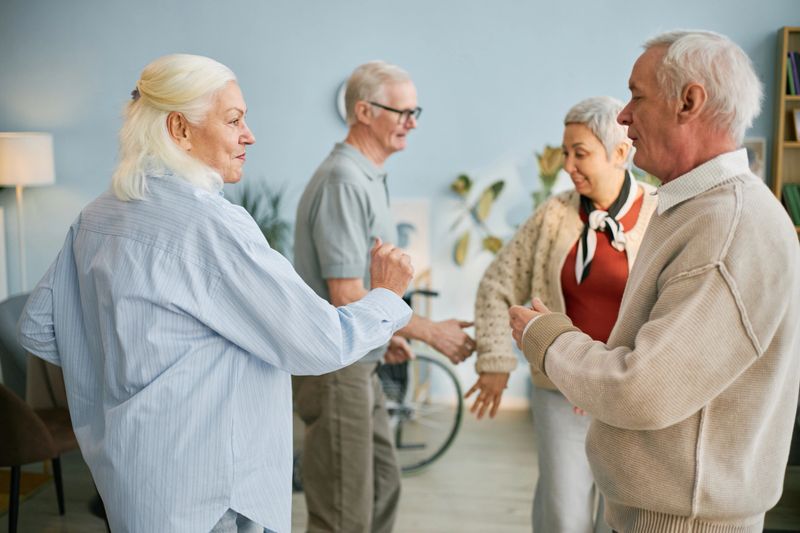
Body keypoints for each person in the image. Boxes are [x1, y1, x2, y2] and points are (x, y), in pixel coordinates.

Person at [17, 53, 416, 533]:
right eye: (234, 120)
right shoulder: (209, 225)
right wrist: (389, 296)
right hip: (211, 498)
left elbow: (39, 328)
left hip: (129, 480)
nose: (249, 135)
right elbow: (322, 342)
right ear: (181, 129)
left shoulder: (98, 215)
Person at [509, 30, 800, 533]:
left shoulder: (727, 225)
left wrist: (547, 337)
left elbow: (643, 390)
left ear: (689, 101)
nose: (623, 116)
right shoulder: (694, 208)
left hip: (683, 519)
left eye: (636, 95)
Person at [293, 60, 475, 533]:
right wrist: (431, 331)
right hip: (338, 370)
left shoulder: (366, 176)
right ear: (364, 112)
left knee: (382, 486)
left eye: (416, 111)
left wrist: (384, 333)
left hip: (360, 360)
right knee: (344, 512)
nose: (412, 122)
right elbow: (349, 294)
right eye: (402, 112)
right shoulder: (343, 181)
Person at [467, 96, 657, 533]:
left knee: (624, 515)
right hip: (558, 389)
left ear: (621, 153)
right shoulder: (554, 214)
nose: (567, 165)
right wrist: (495, 362)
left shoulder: (660, 213)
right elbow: (498, 284)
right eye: (565, 152)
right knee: (563, 515)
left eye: (581, 153)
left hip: (629, 394)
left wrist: (602, 378)